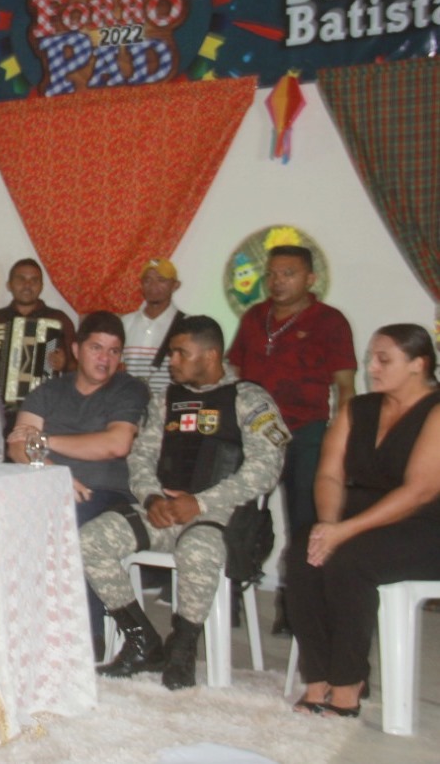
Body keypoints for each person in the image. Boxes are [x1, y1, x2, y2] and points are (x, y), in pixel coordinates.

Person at [80, 315, 289, 689]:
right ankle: (143, 641)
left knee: (197, 551)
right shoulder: (166, 400)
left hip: (219, 517)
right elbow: (140, 458)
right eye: (172, 352)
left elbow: (266, 469)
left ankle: (183, 646)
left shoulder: (249, 399)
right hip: (164, 511)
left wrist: (201, 503)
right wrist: (151, 497)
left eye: (181, 353)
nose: (171, 361)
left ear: (210, 355)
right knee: (89, 540)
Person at [288, 323, 440, 718]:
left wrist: (344, 532)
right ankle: (318, 676)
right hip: (356, 518)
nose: (371, 367)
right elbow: (329, 475)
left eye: (383, 359)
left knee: (350, 560)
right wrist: (327, 526)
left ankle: (348, 680)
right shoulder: (358, 408)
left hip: (423, 526)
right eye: (371, 358)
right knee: (304, 552)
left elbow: (419, 491)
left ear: (418, 364)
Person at [228, 244, 356, 634]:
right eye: (272, 274)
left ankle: (297, 605)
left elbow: (345, 386)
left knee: (305, 521)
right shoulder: (254, 317)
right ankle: (230, 594)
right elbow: (234, 372)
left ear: (310, 278)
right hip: (253, 435)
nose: (277, 281)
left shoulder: (329, 321)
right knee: (236, 516)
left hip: (306, 433)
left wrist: (343, 439)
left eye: (288, 274)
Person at [7, 311, 149, 655]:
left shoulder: (128, 389)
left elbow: (116, 444)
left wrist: (44, 441)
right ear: (75, 349)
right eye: (96, 348)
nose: (105, 359)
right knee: (0, 517)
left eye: (114, 351)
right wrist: (55, 474)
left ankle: (86, 638)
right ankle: (16, 628)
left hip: (108, 494)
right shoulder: (49, 391)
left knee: (70, 519)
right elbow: (16, 446)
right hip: (50, 485)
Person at [0, 259, 76, 428]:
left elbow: (79, 366)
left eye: (34, 280)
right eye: (21, 279)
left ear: (41, 286)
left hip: (47, 407)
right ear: (9, 285)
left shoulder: (58, 319)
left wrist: (65, 363)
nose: (27, 285)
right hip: (3, 408)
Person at [119, 258, 185, 395]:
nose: (153, 285)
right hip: (128, 404)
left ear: (175, 285)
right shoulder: (125, 323)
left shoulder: (186, 325)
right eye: (147, 280)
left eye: (161, 280)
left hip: (168, 404)